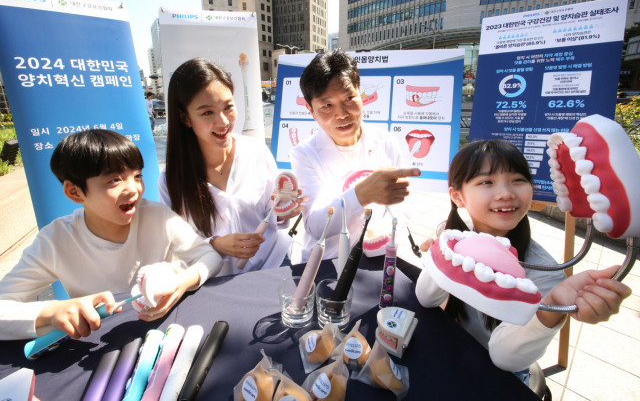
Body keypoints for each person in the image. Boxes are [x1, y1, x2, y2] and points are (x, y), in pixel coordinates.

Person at [415, 139, 631, 381]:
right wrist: (443, 255)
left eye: (518, 180)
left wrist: (551, 308)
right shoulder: (454, 235)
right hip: (451, 352)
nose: (506, 193)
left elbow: (504, 357)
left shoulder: (546, 275)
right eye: (486, 182)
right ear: (457, 197)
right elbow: (426, 298)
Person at [0, 129, 223, 341]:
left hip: (168, 330)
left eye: (137, 176)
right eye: (114, 180)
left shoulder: (158, 217)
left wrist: (182, 282)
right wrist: (52, 311)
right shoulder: (55, 241)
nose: (133, 189)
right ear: (74, 191)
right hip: (98, 345)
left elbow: (208, 256)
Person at [160, 58, 304, 275]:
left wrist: (283, 211)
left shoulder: (256, 152)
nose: (223, 121)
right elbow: (175, 244)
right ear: (185, 118)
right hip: (214, 280)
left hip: (273, 265)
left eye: (228, 107)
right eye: (207, 112)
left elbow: (270, 210)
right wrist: (215, 244)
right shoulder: (171, 179)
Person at [289, 49, 420, 274]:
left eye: (349, 98)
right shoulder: (304, 154)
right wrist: (361, 195)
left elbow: (406, 203)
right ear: (310, 110)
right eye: (327, 105)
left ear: (360, 93)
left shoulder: (386, 140)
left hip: (383, 256)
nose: (342, 114)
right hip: (330, 263)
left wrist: (386, 228)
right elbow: (315, 226)